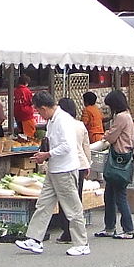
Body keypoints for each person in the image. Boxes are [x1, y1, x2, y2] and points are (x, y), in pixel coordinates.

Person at [13, 92, 90, 256]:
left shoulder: (63, 120)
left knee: (72, 208)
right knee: (43, 204)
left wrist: (47, 155)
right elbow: (50, 143)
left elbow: (67, 146)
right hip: (54, 169)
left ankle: (82, 243)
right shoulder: (52, 121)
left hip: (65, 170)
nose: (39, 114)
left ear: (44, 108)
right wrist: (43, 155)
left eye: (39, 111)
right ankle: (34, 239)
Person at [90, 88, 134, 240]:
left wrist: (105, 136)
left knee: (119, 196)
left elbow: (112, 137)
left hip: (119, 160)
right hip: (123, 158)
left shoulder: (121, 117)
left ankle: (128, 229)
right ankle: (110, 227)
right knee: (109, 194)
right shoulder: (127, 115)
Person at [47, 98, 92, 244]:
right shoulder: (79, 125)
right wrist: (88, 164)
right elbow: (86, 146)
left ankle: (67, 232)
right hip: (81, 163)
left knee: (64, 201)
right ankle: (75, 232)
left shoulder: (59, 124)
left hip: (66, 165)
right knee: (75, 199)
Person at [13, 74, 36, 139]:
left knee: (21, 134)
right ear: (26, 83)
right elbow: (32, 102)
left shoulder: (15, 91)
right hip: (27, 115)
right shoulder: (27, 91)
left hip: (17, 114)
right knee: (29, 136)